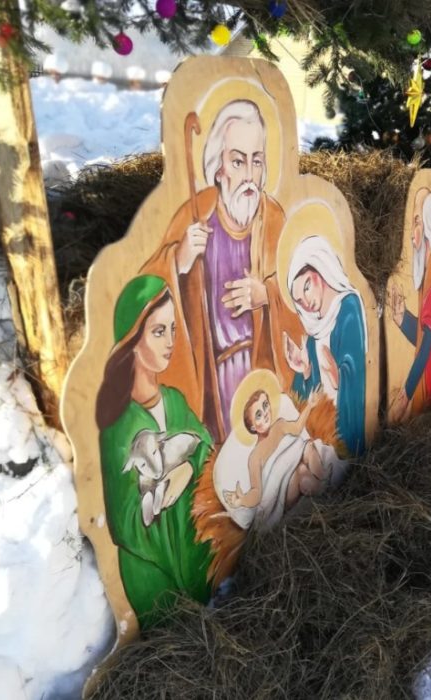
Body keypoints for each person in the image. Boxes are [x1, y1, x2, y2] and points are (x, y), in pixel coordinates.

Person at [141, 99, 303, 442]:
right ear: (218, 167)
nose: (249, 176)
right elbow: (144, 291)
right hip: (213, 379)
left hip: (263, 372)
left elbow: (301, 295)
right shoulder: (195, 216)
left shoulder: (274, 220)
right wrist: (180, 260)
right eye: (238, 161)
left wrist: (267, 295)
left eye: (256, 161)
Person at [95, 274, 214, 629]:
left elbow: (207, 448)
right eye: (159, 331)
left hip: (193, 555)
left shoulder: (174, 401)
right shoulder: (119, 425)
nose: (171, 342)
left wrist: (187, 469)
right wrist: (161, 497)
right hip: (153, 573)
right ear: (132, 339)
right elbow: (124, 523)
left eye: (173, 330)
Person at [282, 236, 368, 454]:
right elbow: (310, 399)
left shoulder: (348, 307)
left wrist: (340, 378)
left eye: (307, 287)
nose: (306, 303)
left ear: (319, 270)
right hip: (323, 433)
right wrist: (305, 371)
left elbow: (355, 369)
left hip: (344, 427)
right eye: (299, 301)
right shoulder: (313, 336)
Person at [388, 188, 431, 420]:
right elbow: (423, 335)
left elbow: (429, 339)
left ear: (426, 223)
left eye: (416, 221)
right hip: (430, 370)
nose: (411, 231)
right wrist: (402, 319)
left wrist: (405, 394)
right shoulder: (426, 269)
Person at [222, 387, 329, 527]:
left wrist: (310, 405)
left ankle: (324, 487)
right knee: (300, 473)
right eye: (258, 415)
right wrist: (242, 500)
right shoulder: (255, 457)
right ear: (253, 427)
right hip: (283, 491)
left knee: (309, 447)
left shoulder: (279, 426)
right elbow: (256, 493)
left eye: (265, 405)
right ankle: (326, 495)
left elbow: (297, 428)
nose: (265, 413)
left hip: (297, 467)